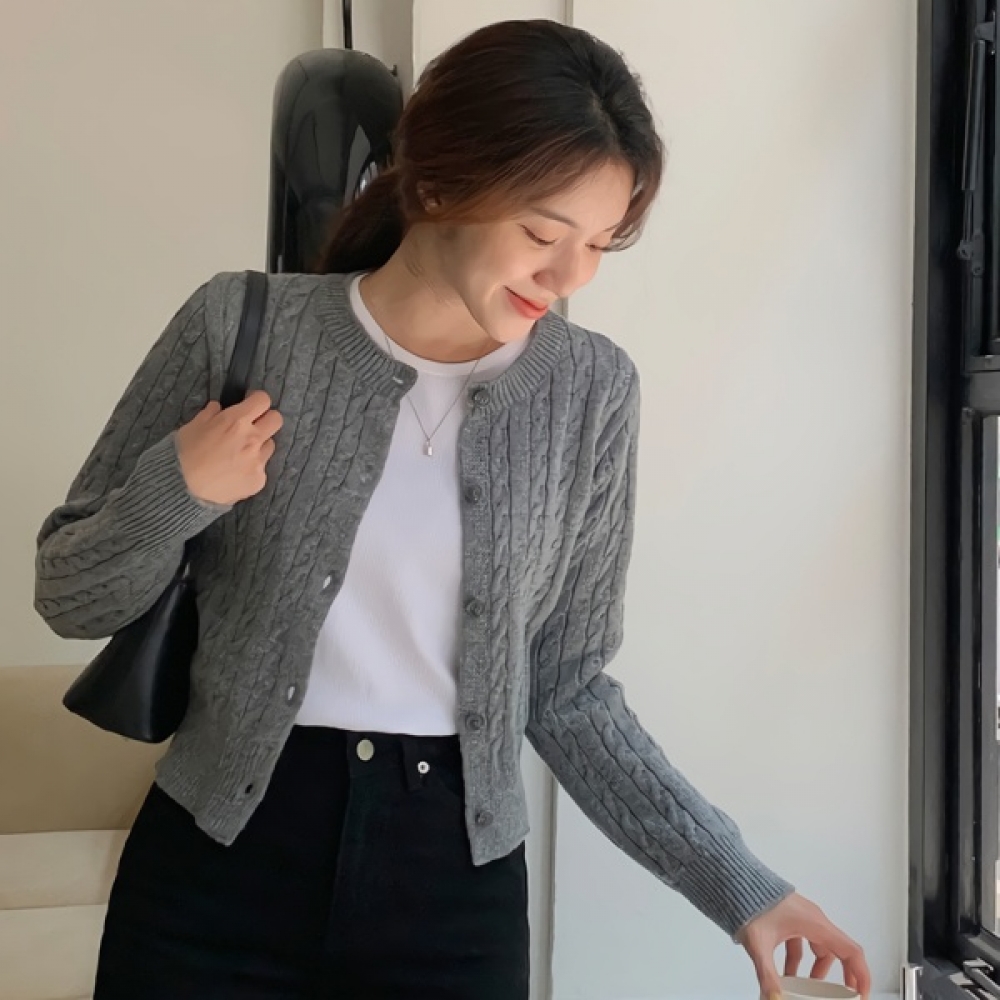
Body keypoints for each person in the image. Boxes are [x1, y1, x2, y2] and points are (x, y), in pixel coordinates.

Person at [33, 18, 871, 1000]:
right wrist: (179, 488)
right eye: (543, 234)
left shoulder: (590, 391)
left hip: (452, 892)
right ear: (436, 186)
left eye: (600, 244)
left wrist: (741, 889)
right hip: (217, 871)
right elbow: (69, 594)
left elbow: (566, 691)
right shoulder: (239, 326)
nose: (571, 278)